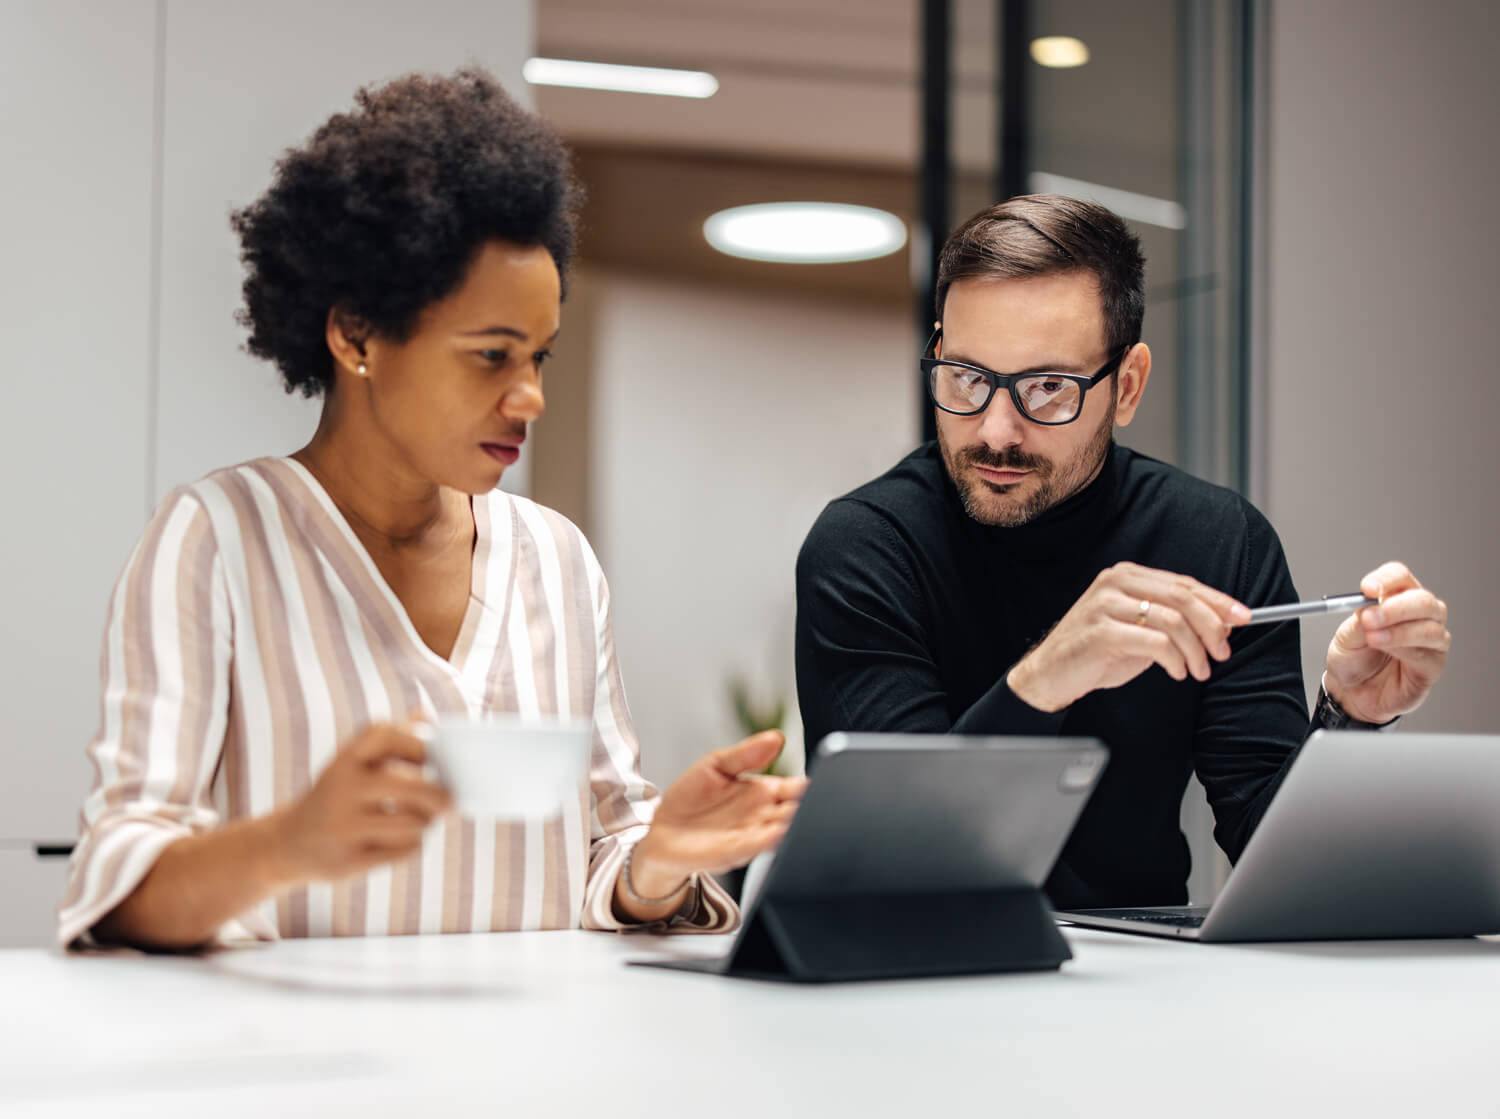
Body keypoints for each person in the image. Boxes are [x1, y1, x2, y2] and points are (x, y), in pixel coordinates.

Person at [58, 69, 805, 950]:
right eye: (491, 357)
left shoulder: (555, 562)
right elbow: (123, 877)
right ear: (357, 334)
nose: (528, 398)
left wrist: (663, 858)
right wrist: (286, 845)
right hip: (303, 1072)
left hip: (534, 1073)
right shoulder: (217, 541)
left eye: (540, 358)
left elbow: (609, 852)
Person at [794, 195, 1450, 910]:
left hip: (1147, 988)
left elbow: (1290, 866)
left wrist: (1349, 718)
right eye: (968, 378)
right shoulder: (864, 546)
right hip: (913, 987)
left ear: (1127, 385)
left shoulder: (1217, 540)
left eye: (1049, 387)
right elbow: (890, 862)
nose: (997, 430)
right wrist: (1046, 677)